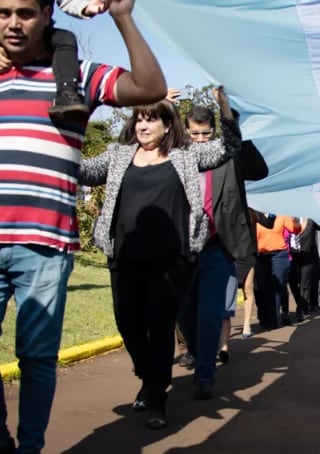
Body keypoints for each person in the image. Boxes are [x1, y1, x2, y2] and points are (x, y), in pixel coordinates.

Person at [0, 0, 165, 449]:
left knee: (35, 358)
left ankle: (30, 445)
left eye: (25, 13)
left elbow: (150, 86)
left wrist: (122, 17)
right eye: (3, 12)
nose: (14, 23)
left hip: (44, 243)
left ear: (47, 17)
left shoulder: (73, 76)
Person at [79, 99, 240, 429]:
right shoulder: (119, 154)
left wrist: (225, 109)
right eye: (139, 119)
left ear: (168, 126)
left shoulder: (185, 155)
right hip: (124, 257)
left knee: (160, 325)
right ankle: (150, 376)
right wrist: (77, 120)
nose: (142, 126)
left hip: (171, 261)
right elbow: (83, 171)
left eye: (151, 120)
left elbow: (229, 148)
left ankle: (156, 398)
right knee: (128, 325)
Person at [172, 87, 269, 400]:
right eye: (195, 134)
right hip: (183, 248)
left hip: (219, 246)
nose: (201, 140)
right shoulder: (178, 157)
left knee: (212, 312)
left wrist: (227, 112)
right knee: (184, 315)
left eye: (206, 133)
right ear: (186, 132)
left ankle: (204, 374)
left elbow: (258, 169)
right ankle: (200, 354)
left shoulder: (226, 152)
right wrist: (164, 108)